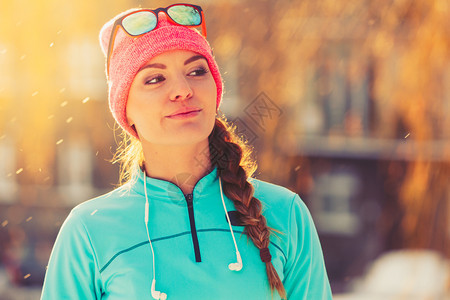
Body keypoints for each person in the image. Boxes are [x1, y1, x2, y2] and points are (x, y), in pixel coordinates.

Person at [41, 3, 332, 300]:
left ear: (216, 90)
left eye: (196, 71)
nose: (183, 89)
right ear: (125, 108)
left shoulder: (284, 213)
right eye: (155, 78)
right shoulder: (89, 231)